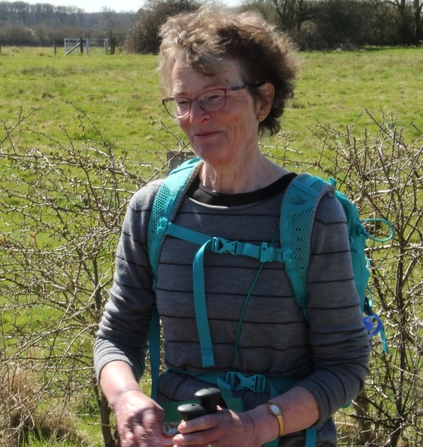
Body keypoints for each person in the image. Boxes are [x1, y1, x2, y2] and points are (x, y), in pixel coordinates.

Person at [94, 7, 370, 447]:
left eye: (215, 95)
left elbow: (346, 365)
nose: (195, 116)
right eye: (183, 101)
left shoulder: (312, 216)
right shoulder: (153, 210)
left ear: (263, 100)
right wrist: (126, 398)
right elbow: (115, 337)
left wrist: (258, 426)